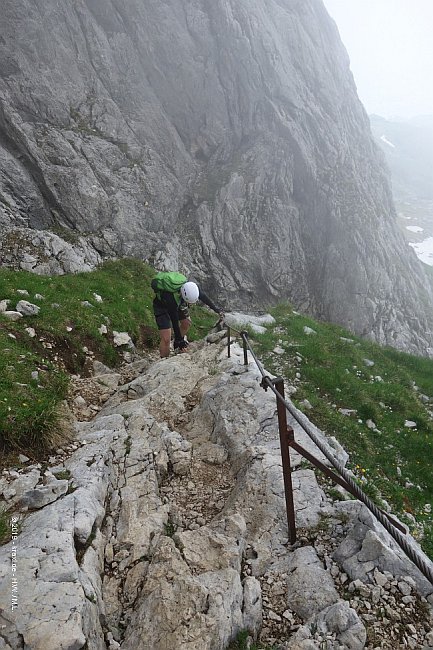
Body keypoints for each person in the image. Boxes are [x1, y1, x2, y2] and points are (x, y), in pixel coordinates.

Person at [151, 271, 224, 358]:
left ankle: (176, 346)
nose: (191, 305)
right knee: (166, 338)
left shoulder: (192, 288)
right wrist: (180, 340)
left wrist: (216, 310)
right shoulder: (171, 298)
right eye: (189, 302)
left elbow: (204, 297)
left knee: (186, 323)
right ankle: (164, 359)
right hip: (161, 306)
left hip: (179, 302)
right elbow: (175, 323)